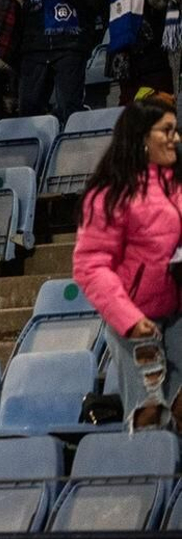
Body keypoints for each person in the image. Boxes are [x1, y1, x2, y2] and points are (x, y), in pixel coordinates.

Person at [73, 99, 182, 428]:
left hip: (178, 313)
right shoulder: (110, 194)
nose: (175, 139)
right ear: (141, 137)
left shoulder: (177, 185)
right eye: (166, 131)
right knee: (149, 416)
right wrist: (128, 317)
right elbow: (90, 265)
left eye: (176, 130)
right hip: (136, 320)